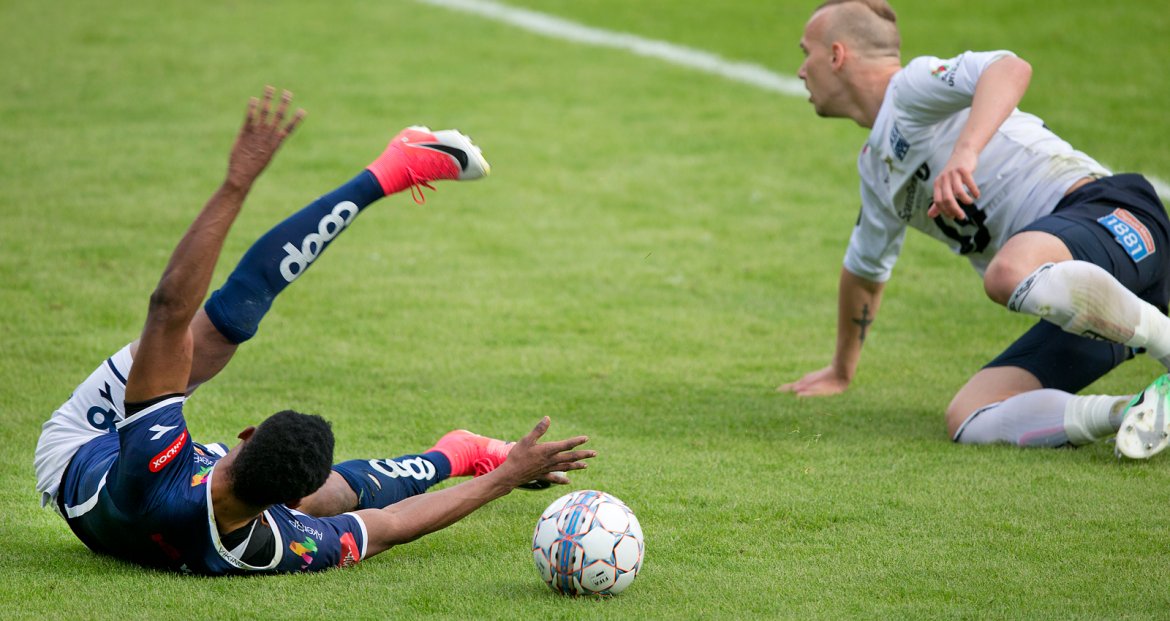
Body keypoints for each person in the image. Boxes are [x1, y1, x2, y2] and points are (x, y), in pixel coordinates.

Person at [34, 87, 596, 575]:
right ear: (288, 500)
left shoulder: (157, 460)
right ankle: (463, 452)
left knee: (214, 331)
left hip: (86, 446)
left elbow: (168, 309)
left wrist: (236, 184)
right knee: (330, 491)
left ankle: (389, 172)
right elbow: (393, 523)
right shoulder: (273, 543)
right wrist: (507, 473)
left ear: (248, 434)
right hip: (164, 502)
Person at [778, 0, 1170, 458]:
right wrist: (840, 370)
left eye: (806, 52)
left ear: (837, 55)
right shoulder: (876, 168)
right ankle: (1137, 411)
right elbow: (864, 270)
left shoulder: (910, 88)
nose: (802, 70)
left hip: (1115, 218)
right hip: (1099, 303)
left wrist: (965, 152)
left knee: (1005, 274)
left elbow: (1009, 67)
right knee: (969, 415)